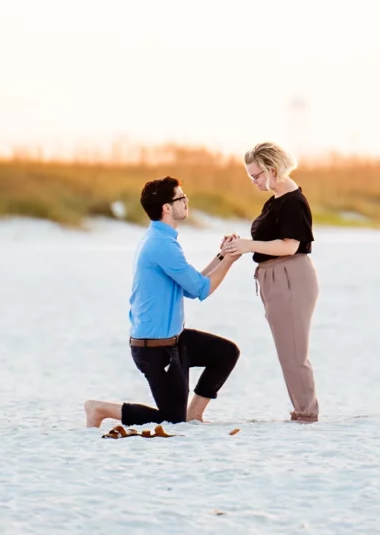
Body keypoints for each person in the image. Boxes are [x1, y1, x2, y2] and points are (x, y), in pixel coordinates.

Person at [85, 176, 240, 428]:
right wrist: (231, 261)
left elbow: (191, 287)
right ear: (167, 208)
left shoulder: (162, 240)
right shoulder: (161, 245)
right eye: (181, 197)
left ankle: (195, 414)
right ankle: (100, 409)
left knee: (225, 353)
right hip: (155, 350)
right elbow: (202, 289)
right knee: (170, 420)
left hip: (175, 340)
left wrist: (222, 255)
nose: (186, 201)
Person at [222, 142, 319, 423]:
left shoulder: (292, 201)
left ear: (272, 169)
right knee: (288, 351)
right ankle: (304, 410)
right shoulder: (276, 198)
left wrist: (248, 245)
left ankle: (306, 413)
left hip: (290, 277)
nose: (253, 181)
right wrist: (240, 244)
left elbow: (290, 246)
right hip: (277, 277)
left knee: (293, 353)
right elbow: (269, 240)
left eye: (256, 175)